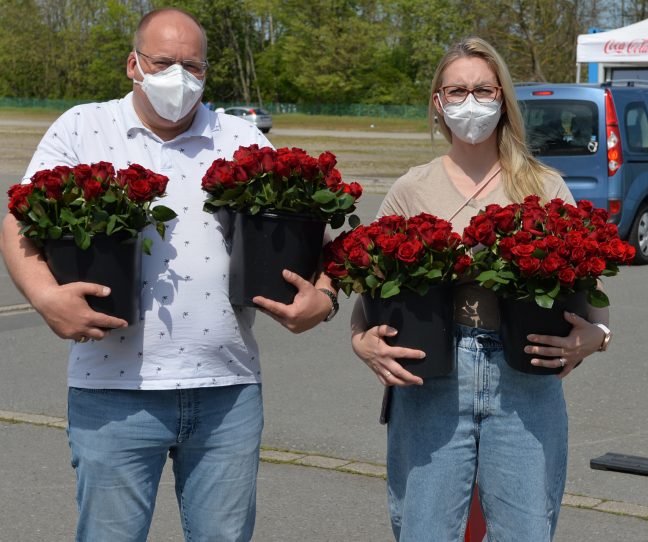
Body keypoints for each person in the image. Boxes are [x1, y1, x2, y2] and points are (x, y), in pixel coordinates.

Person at [0, 8, 337, 541]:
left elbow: (313, 235)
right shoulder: (83, 126)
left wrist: (325, 295)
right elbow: (20, 223)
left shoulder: (239, 137)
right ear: (133, 64)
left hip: (227, 391)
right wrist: (44, 297)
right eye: (163, 62)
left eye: (193, 66)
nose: (179, 77)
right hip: (112, 390)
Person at [350, 37, 611, 541]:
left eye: (483, 90)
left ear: (503, 99)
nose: (471, 103)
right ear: (438, 103)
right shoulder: (411, 189)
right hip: (431, 382)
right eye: (457, 91)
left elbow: (592, 293)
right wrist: (361, 339)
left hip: (525, 383)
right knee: (424, 531)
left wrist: (596, 336)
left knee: (525, 532)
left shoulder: (543, 186)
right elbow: (369, 292)